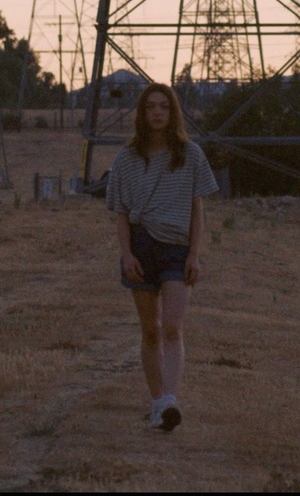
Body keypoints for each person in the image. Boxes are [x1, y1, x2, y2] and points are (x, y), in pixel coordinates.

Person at [108, 82, 219, 431]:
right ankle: (157, 403)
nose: (157, 112)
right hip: (141, 246)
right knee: (150, 330)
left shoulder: (190, 154)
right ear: (142, 114)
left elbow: (196, 208)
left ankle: (171, 400)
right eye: (150, 106)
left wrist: (194, 255)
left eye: (164, 107)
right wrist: (126, 255)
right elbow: (121, 213)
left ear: (173, 113)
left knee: (172, 326)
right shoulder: (126, 159)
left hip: (176, 249)